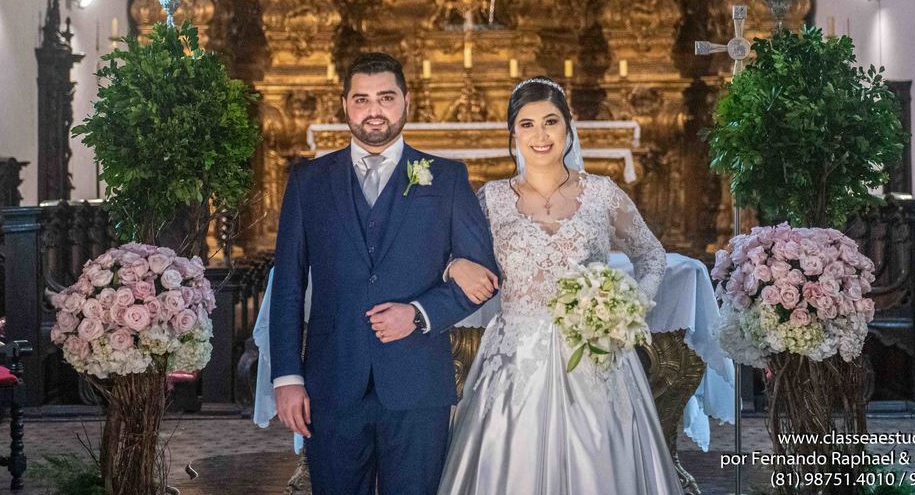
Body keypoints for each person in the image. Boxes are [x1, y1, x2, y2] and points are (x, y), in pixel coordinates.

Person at [435, 78, 685, 495]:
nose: (540, 135)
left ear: (569, 127)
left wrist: (629, 309)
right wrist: (455, 264)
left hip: (595, 354)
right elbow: (447, 257)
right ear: (513, 132)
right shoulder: (491, 199)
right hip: (515, 358)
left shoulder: (602, 194)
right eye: (527, 124)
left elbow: (652, 256)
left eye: (551, 121)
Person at [269, 52, 500, 495]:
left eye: (386, 97)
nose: (374, 110)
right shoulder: (308, 182)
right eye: (361, 99)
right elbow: (288, 287)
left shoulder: (447, 179)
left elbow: (484, 276)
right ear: (345, 105)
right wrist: (287, 378)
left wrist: (418, 313)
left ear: (406, 102)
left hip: (417, 384)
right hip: (331, 383)